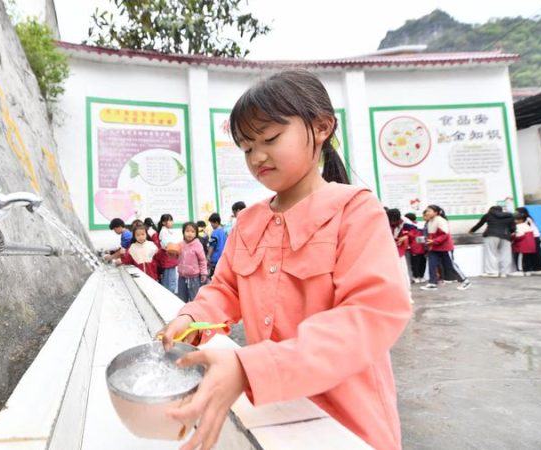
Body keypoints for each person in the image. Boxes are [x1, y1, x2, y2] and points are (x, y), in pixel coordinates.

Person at [157, 70, 411, 450]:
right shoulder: (248, 222)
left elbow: (371, 314)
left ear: (322, 126)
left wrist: (251, 368)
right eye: (246, 147)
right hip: (277, 415)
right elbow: (226, 289)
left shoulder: (356, 211)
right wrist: (192, 319)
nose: (257, 156)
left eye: (270, 138)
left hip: (349, 424)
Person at [420, 205, 472, 290]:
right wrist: (429, 243)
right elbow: (430, 236)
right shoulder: (429, 222)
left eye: (429, 211)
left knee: (451, 265)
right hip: (434, 248)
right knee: (432, 265)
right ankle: (432, 283)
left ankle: (465, 281)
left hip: (445, 248)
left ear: (436, 212)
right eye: (427, 211)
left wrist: (434, 241)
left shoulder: (441, 221)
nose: (427, 212)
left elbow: (445, 235)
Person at [469, 205, 515, 277]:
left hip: (491, 235)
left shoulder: (488, 215)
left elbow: (480, 224)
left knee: (491, 253)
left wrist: (472, 231)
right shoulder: (509, 216)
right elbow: (513, 228)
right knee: (505, 254)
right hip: (506, 236)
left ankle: (492, 272)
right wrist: (508, 232)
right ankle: (504, 272)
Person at [386, 208, 415, 296]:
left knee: (403, 270)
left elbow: (414, 232)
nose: (393, 223)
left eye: (394, 221)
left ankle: (407, 292)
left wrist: (406, 236)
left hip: (400, 248)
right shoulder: (384, 220)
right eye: (391, 221)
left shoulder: (406, 222)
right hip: (388, 247)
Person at [177, 222, 208, 302]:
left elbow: (202, 260)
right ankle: (184, 313)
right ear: (183, 232)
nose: (189, 234)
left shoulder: (197, 245)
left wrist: (203, 273)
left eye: (192, 231)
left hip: (194, 278)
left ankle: (194, 314)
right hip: (182, 277)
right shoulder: (180, 245)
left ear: (196, 233)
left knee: (194, 298)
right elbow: (175, 256)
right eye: (187, 231)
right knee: (181, 299)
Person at [515, 207, 541, 274]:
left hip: (533, 237)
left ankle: (540, 268)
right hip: (533, 237)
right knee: (533, 254)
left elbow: (524, 229)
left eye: (517, 212)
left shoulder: (527, 219)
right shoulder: (528, 218)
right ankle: (536, 268)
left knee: (536, 254)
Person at [157, 214, 181, 294]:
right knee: (170, 279)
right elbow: (166, 246)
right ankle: (170, 294)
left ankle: (169, 293)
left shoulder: (168, 231)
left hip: (171, 258)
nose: (171, 222)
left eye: (172, 220)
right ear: (164, 222)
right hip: (168, 258)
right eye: (169, 220)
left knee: (170, 278)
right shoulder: (164, 232)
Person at [405, 213, 427, 282]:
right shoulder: (421, 224)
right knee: (422, 262)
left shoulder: (410, 226)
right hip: (423, 247)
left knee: (415, 263)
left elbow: (410, 236)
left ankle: (416, 277)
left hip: (415, 248)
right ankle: (422, 276)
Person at [206, 213, 227, 279]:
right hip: (224, 258)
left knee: (213, 278)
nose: (211, 225)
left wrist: (208, 256)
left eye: (211, 223)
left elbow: (212, 245)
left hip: (216, 259)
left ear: (216, 222)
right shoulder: (224, 231)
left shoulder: (214, 233)